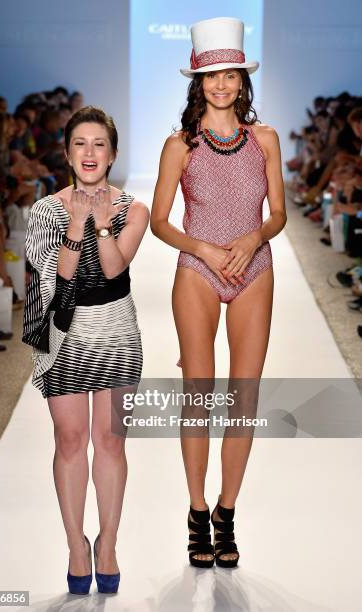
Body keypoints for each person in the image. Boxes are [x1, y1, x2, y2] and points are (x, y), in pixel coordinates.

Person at [151, 17, 286, 569]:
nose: (222, 85)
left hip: (255, 267)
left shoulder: (265, 139)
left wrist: (255, 234)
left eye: (230, 75)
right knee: (199, 395)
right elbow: (160, 221)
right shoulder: (179, 144)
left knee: (244, 398)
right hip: (198, 271)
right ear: (198, 82)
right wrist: (204, 250)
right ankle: (197, 510)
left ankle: (227, 513)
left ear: (242, 80)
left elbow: (278, 214)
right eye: (212, 76)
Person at [22, 105, 149, 594]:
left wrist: (97, 223)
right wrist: (77, 224)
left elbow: (115, 269)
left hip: (117, 331)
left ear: (113, 153)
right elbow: (60, 277)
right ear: (68, 152)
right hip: (64, 335)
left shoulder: (132, 209)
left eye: (99, 144)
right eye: (80, 143)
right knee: (70, 440)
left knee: (112, 441)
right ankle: (77, 545)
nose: (90, 153)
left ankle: (109, 544)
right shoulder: (44, 211)